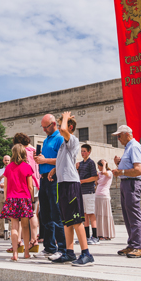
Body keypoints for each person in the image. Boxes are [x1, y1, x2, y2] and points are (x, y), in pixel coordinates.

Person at [47, 111, 94, 266]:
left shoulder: (72, 139)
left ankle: (86, 254)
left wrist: (66, 117)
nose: (59, 128)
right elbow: (65, 161)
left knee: (76, 220)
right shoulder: (63, 144)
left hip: (71, 184)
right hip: (63, 184)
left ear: (69, 127)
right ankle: (69, 252)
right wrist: (55, 169)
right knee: (67, 221)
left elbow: (64, 131)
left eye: (61, 125)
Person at [111, 124, 141, 258]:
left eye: (119, 136)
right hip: (126, 183)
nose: (118, 139)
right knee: (127, 215)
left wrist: (122, 171)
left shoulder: (135, 146)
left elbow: (138, 170)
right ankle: (132, 244)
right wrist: (120, 164)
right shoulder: (128, 148)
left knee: (134, 214)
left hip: (132, 183)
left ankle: (139, 246)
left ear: (127, 134)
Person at [34, 114, 66, 258]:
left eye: (46, 127)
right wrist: (40, 160)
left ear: (54, 124)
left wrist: (44, 160)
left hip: (54, 179)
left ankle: (62, 248)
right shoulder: (47, 139)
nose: (44, 130)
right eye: (42, 127)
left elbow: (62, 159)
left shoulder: (60, 138)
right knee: (45, 214)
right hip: (43, 179)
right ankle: (49, 247)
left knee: (56, 213)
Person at [0, 144, 36, 261]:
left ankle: (15, 253)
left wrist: (6, 199)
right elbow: (30, 186)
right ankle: (26, 252)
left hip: (11, 199)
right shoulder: (27, 167)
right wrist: (32, 200)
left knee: (14, 227)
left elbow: (5, 186)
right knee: (25, 226)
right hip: (24, 199)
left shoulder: (8, 168)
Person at [13, 133, 39, 250]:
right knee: (33, 213)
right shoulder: (35, 150)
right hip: (37, 184)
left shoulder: (24, 152)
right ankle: (34, 240)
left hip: (26, 185)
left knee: (19, 215)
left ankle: (18, 242)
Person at [77, 143, 99, 245]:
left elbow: (95, 177)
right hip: (81, 191)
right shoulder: (81, 164)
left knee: (91, 213)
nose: (82, 153)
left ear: (89, 152)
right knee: (84, 214)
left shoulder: (91, 163)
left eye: (84, 151)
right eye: (81, 151)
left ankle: (95, 236)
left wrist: (83, 181)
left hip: (89, 191)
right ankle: (86, 236)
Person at [95, 159, 115, 240]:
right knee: (98, 215)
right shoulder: (99, 173)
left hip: (105, 196)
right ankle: (99, 234)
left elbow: (104, 172)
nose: (98, 168)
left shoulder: (109, 173)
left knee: (106, 215)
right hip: (97, 195)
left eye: (99, 166)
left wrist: (104, 164)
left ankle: (107, 234)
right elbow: (96, 180)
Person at [0, 155, 11, 239]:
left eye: (8, 160)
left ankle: (10, 232)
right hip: (0, 193)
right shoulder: (0, 171)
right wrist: (1, 177)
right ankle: (1, 232)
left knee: (10, 214)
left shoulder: (12, 170)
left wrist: (5, 185)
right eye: (5, 160)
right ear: (3, 161)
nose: (6, 162)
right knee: (0, 214)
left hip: (8, 193)